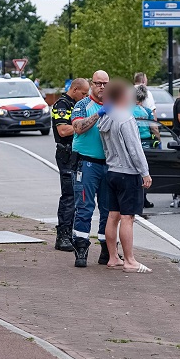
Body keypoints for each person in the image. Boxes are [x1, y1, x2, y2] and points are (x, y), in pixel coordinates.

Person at [99, 80, 153, 273]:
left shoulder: (105, 118)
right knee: (127, 217)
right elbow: (134, 148)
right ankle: (130, 260)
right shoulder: (126, 118)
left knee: (112, 216)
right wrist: (144, 172)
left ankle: (113, 257)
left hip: (112, 170)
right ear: (122, 96)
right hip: (128, 173)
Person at [70, 70, 112, 268]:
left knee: (108, 209)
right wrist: (98, 114)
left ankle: (107, 249)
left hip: (109, 164)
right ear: (92, 84)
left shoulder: (114, 105)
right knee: (85, 207)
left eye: (105, 83)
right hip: (86, 163)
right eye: (98, 83)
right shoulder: (82, 105)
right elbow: (78, 128)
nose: (102, 87)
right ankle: (81, 248)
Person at [52, 78, 90, 252]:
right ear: (74, 89)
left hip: (74, 154)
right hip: (65, 153)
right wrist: (82, 125)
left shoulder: (76, 104)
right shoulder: (62, 105)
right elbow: (62, 130)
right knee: (68, 195)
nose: (85, 96)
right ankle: (63, 236)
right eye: (83, 93)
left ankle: (71, 234)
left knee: (76, 195)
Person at [133, 84, 157, 209]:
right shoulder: (147, 111)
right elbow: (154, 128)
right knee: (145, 171)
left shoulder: (128, 110)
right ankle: (143, 198)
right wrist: (158, 140)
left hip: (134, 142)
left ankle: (135, 197)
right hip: (146, 143)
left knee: (134, 171)